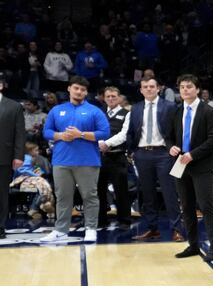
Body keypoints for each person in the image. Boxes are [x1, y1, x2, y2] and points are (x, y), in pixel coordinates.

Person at [109, 75, 183, 242]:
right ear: (141, 90)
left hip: (164, 153)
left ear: (158, 88)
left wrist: (175, 146)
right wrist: (132, 151)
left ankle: (177, 229)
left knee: (169, 193)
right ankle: (152, 229)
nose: (149, 89)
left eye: (152, 86)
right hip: (142, 154)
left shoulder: (171, 106)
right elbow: (130, 132)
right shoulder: (135, 108)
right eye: (145, 87)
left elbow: (178, 130)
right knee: (147, 194)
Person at [40, 76, 110, 243]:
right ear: (69, 89)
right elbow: (46, 131)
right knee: (62, 196)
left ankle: (91, 228)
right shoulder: (56, 110)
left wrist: (81, 134)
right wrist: (61, 135)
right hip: (61, 161)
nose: (79, 92)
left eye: (83, 89)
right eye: (76, 88)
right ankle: (61, 230)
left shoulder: (95, 111)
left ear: (86, 92)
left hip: (88, 161)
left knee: (89, 196)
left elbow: (105, 133)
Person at [169, 74, 213, 261]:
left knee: (206, 205)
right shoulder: (176, 111)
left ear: (197, 89)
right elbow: (168, 136)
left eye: (189, 86)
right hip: (181, 165)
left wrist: (193, 154)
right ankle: (193, 245)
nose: (185, 90)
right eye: (182, 87)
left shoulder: (208, 111)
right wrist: (171, 147)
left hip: (202, 164)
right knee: (186, 206)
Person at [96, 86, 131, 228]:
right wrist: (100, 144)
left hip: (117, 156)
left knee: (121, 190)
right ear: (104, 98)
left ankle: (124, 220)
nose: (111, 99)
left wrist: (107, 144)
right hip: (99, 157)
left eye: (114, 96)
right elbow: (93, 131)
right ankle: (101, 220)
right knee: (99, 190)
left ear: (119, 98)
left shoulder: (127, 113)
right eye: (108, 96)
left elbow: (124, 134)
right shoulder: (98, 113)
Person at [0, 77, 25, 238]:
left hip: (4, 156)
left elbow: (20, 133)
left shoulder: (14, 106)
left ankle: (0, 226)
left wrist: (18, 155)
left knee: (1, 193)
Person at [11, 142, 53, 219]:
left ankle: (41, 206)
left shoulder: (34, 159)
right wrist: (36, 175)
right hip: (22, 179)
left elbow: (37, 170)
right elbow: (23, 170)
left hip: (34, 178)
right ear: (29, 151)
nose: (38, 152)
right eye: (36, 150)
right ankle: (35, 208)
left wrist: (40, 174)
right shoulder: (24, 158)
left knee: (44, 185)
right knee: (42, 185)